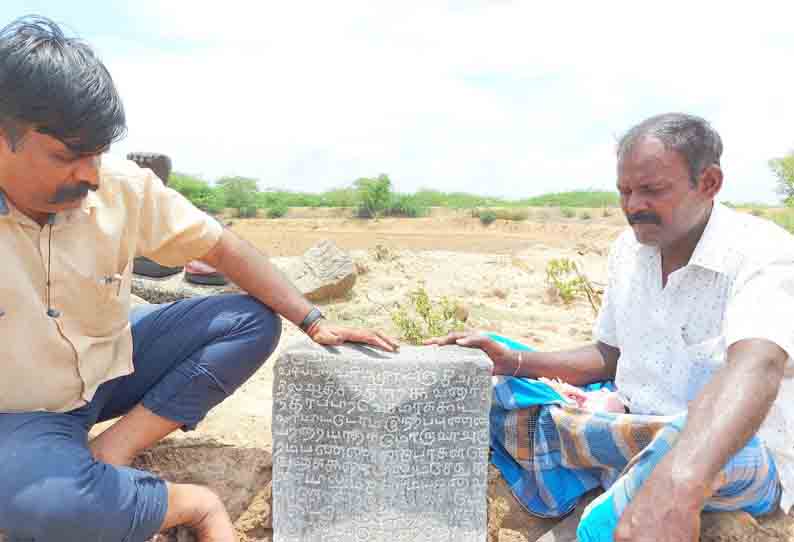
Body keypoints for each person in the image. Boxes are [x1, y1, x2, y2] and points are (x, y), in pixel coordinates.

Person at [0, 16, 397, 542]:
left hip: (109, 369)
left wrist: (313, 318)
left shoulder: (121, 188)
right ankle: (192, 505)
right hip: (25, 413)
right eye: (68, 156)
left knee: (249, 319)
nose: (90, 175)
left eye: (96, 154)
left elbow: (222, 246)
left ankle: (112, 452)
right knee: (43, 507)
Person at [430, 113, 794, 541]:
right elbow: (611, 355)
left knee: (686, 435)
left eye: (653, 191)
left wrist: (680, 480)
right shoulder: (629, 250)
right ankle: (623, 478)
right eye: (625, 191)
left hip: (727, 449)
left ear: (709, 183)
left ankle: (601, 522)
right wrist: (515, 361)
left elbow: (758, 365)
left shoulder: (762, 254)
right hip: (631, 427)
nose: (633, 206)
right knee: (497, 389)